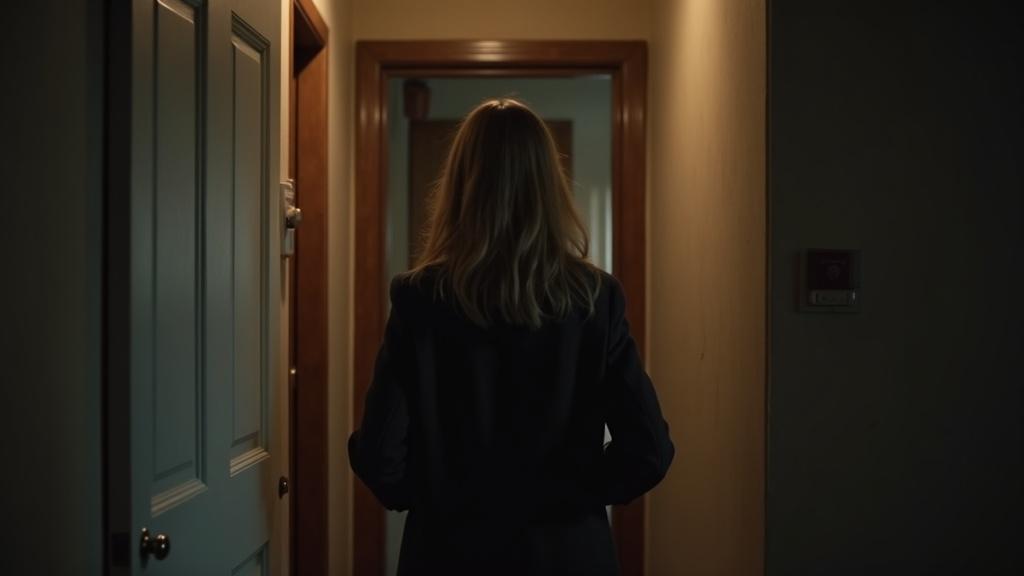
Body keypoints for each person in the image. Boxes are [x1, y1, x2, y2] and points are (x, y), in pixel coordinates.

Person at [348, 98, 674, 576]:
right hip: (567, 555)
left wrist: (440, 497)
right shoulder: (594, 298)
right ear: (548, 185)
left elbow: (380, 457)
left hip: (448, 554)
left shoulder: (421, 298)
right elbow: (649, 452)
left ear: (461, 184)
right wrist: (571, 496)